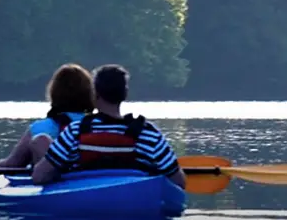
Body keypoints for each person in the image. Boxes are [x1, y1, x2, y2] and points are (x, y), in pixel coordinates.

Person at [31, 64, 186, 187]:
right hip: (135, 204)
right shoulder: (148, 134)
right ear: (125, 94)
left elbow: (39, 176)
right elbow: (179, 182)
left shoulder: (74, 131)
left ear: (95, 94)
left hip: (82, 204)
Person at [0, 63, 95, 169]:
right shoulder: (97, 124)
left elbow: (12, 163)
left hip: (52, 181)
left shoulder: (39, 128)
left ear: (54, 94)